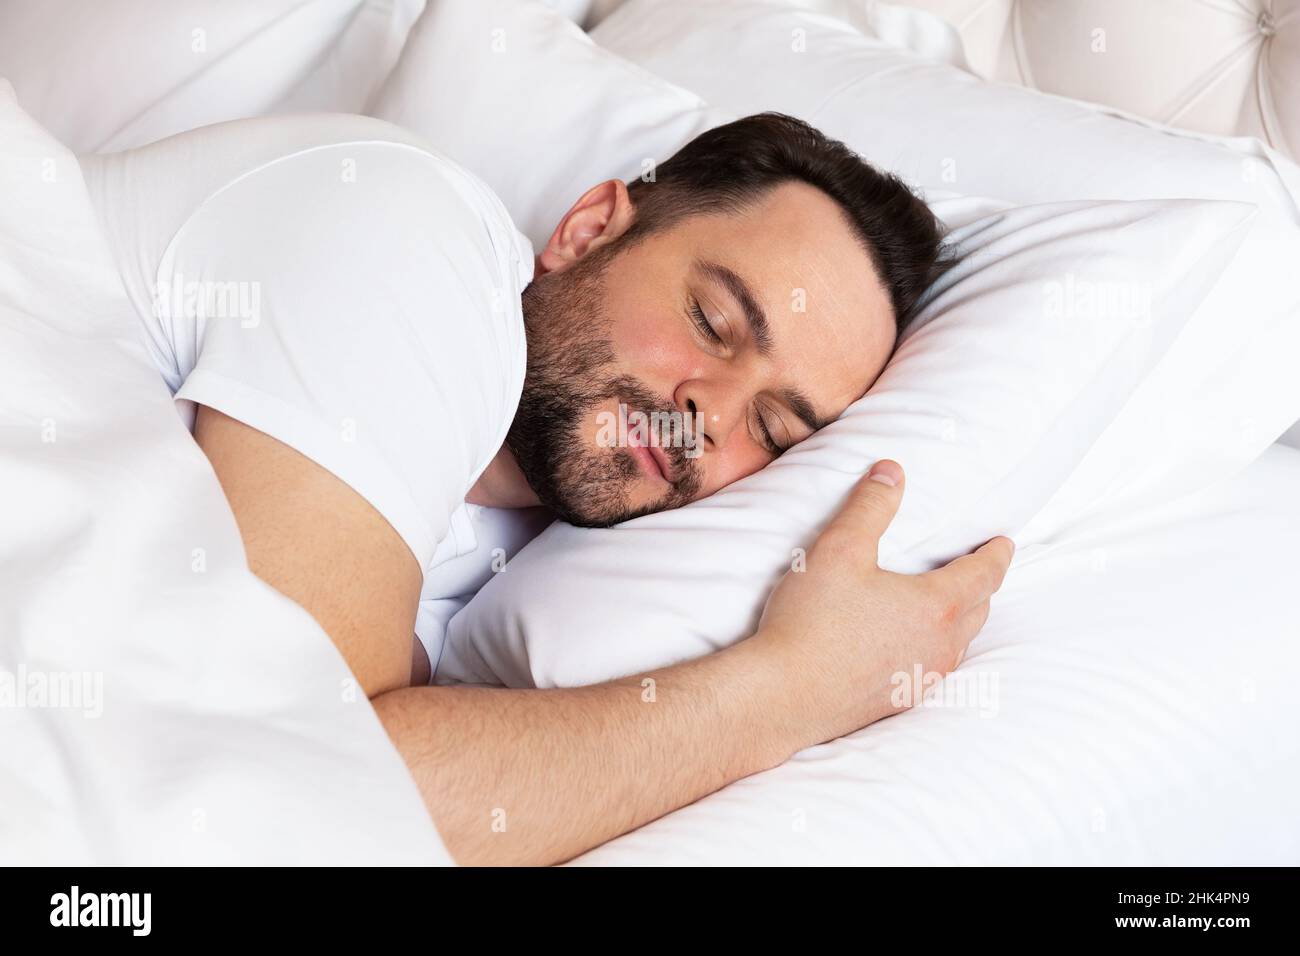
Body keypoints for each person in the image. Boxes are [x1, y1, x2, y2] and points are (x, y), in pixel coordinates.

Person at [83, 110, 1014, 866]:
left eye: (773, 430)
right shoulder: (404, 230)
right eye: (712, 320)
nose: (713, 412)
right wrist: (795, 685)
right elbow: (299, 787)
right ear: (587, 230)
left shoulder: (516, 577)